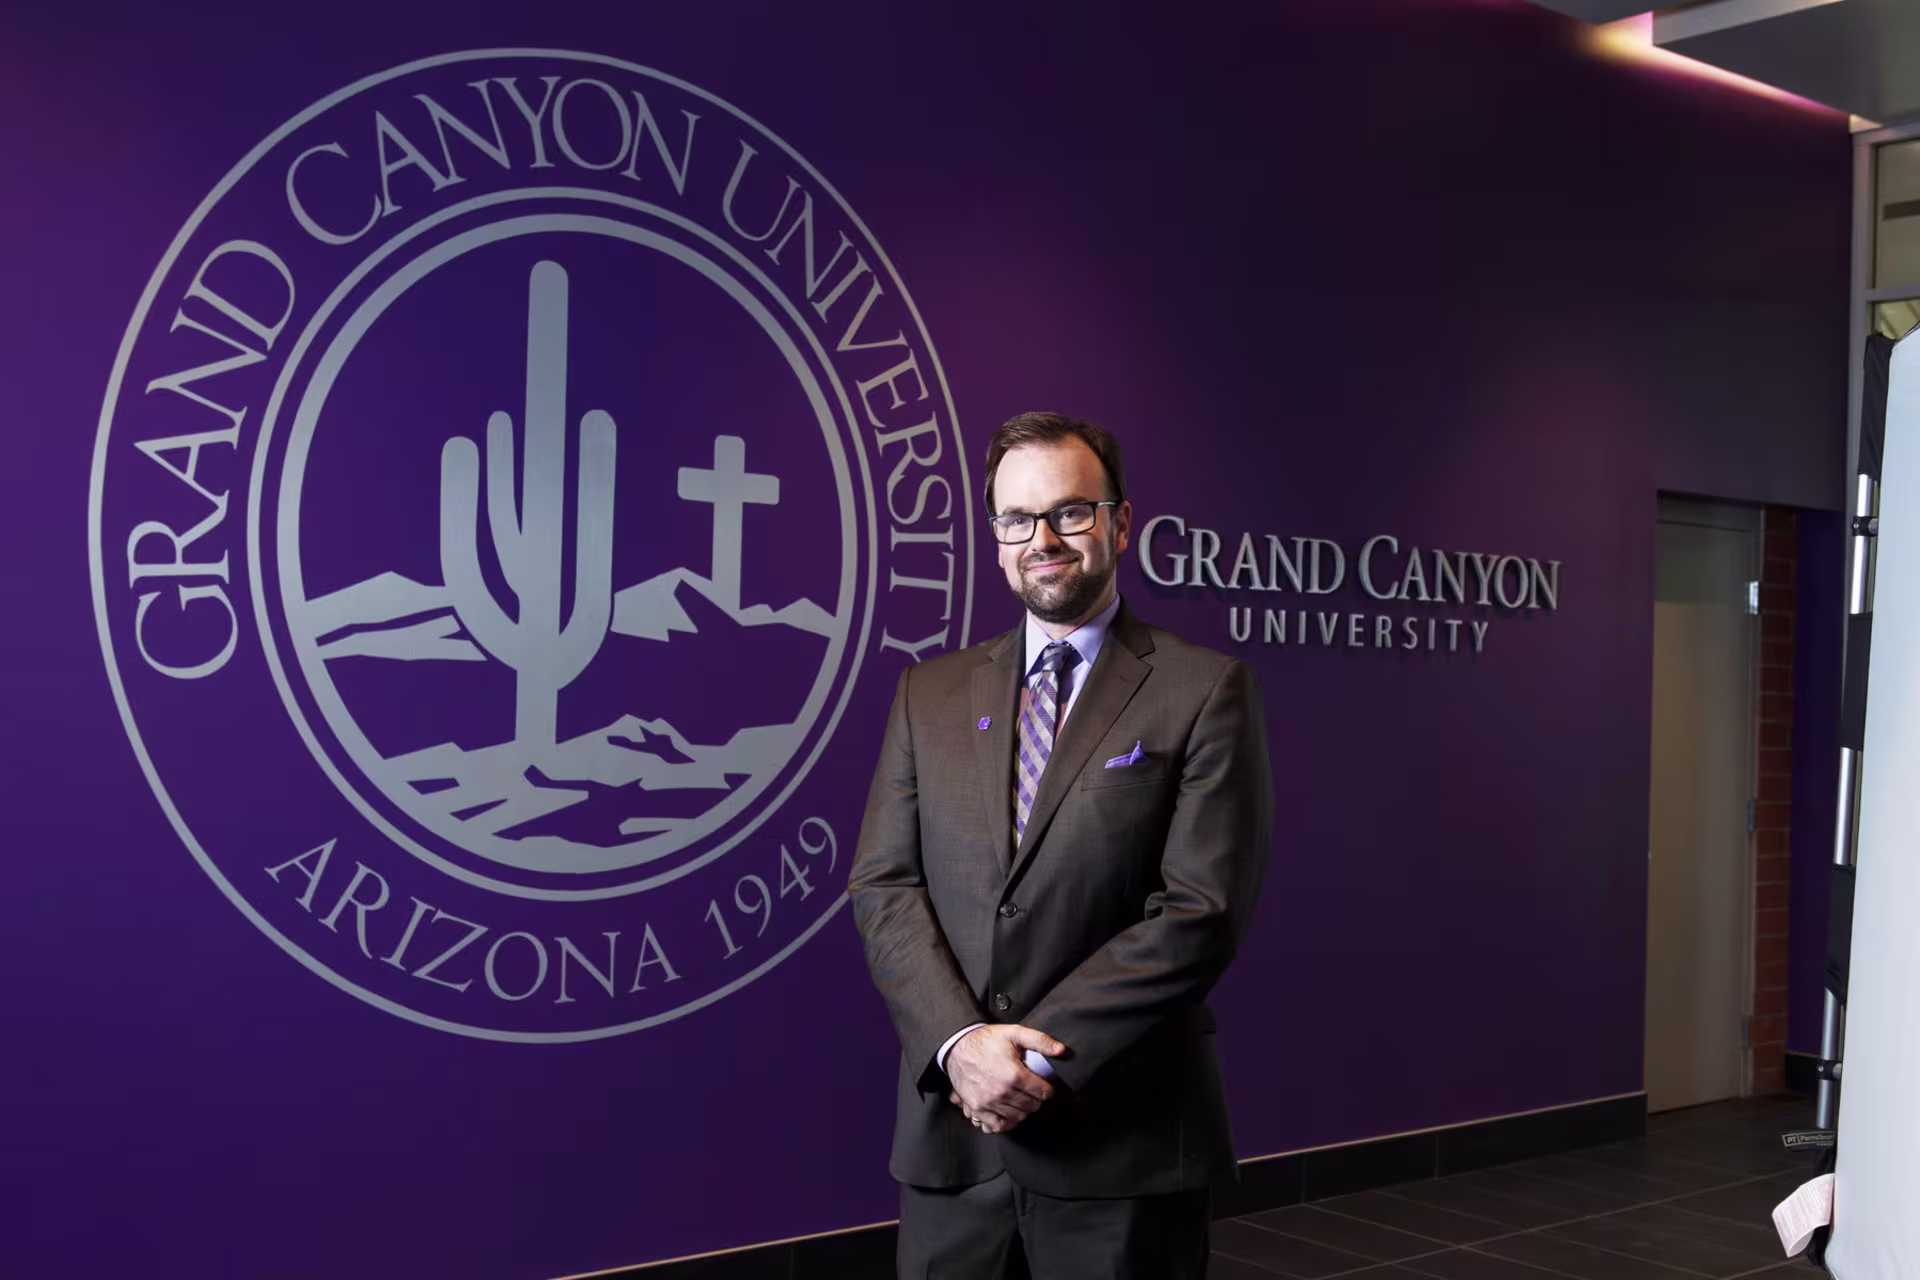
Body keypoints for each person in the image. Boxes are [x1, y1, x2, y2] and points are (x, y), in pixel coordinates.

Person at [849, 411, 1274, 1279]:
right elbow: (884, 884)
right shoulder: (927, 693)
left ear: (1119, 523)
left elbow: (1201, 910)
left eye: (1070, 513)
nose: (1042, 539)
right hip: (953, 1139)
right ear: (996, 537)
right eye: (1016, 519)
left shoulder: (1202, 690)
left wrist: (1030, 1057)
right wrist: (963, 1045)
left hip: (1123, 1140)